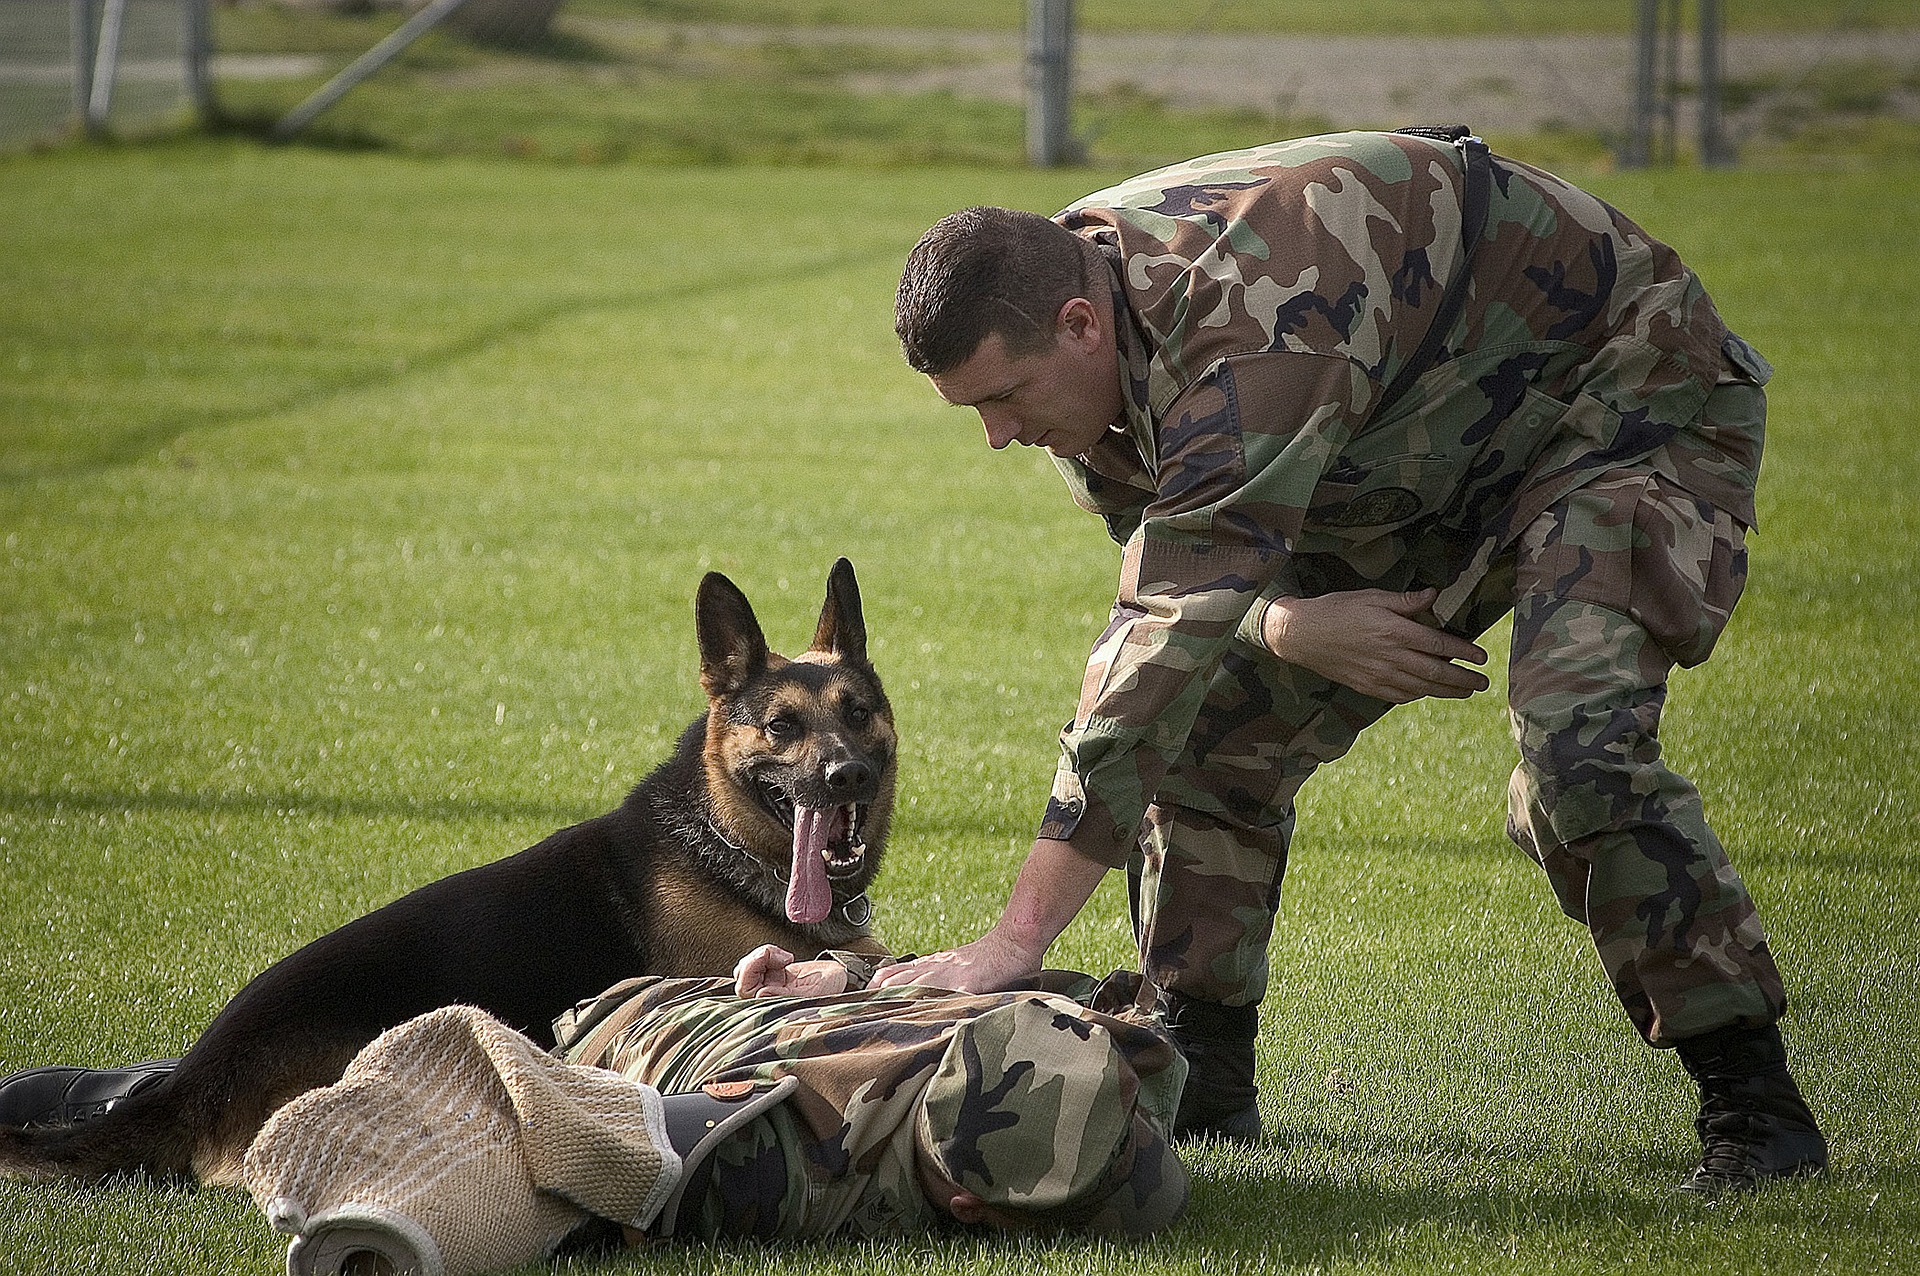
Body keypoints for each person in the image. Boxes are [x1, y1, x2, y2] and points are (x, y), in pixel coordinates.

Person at [878, 127, 1825, 1192]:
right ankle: (1201, 1079)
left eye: (1002, 400)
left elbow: (1154, 643)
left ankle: (1757, 1112)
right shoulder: (1081, 350)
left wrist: (1014, 940)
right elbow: (1181, 567)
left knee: (1580, 756)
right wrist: (1286, 622)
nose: (998, 437)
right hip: (1412, 453)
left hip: (1624, 410)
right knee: (1209, 741)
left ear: (1080, 323)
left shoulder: (1247, 314)